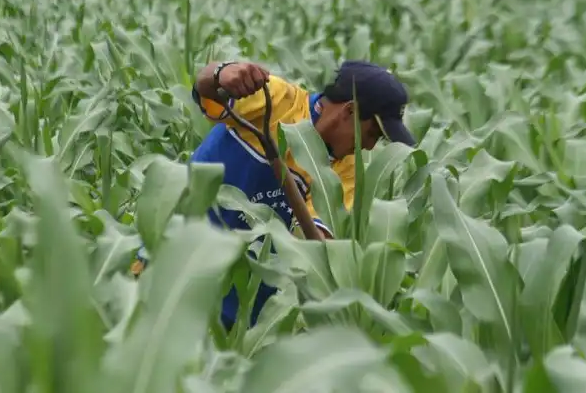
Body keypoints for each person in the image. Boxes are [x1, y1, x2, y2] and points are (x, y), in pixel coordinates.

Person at [130, 59, 416, 330]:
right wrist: (222, 72)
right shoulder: (276, 99)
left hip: (243, 305)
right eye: (372, 135)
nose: (368, 148)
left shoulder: (348, 170)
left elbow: (319, 243)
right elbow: (205, 86)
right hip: (174, 260)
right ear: (350, 111)